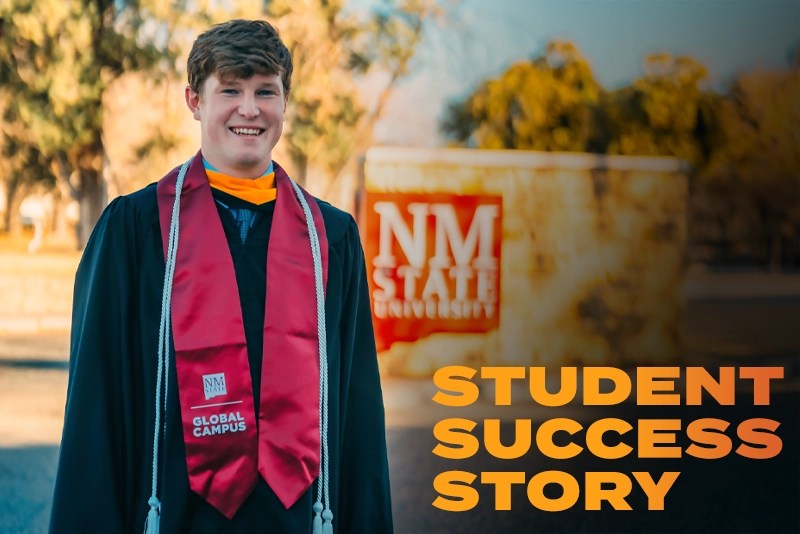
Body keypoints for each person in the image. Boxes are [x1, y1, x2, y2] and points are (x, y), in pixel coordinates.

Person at [49, 19, 393, 533]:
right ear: (194, 100)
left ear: (285, 102)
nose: (249, 109)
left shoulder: (331, 240)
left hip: (297, 517)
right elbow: (95, 408)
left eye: (265, 92)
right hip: (174, 514)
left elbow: (358, 414)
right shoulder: (136, 230)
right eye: (229, 89)